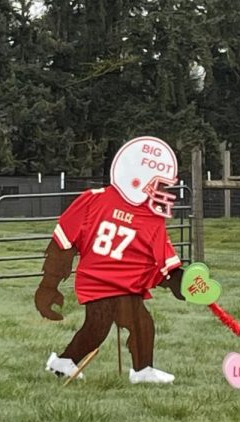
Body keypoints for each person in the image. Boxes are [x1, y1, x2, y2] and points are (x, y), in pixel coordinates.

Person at [35, 136, 186, 385]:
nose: (161, 191)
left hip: (127, 284)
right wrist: (49, 284)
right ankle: (64, 361)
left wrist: (183, 281)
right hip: (98, 281)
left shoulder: (151, 217)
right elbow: (63, 241)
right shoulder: (94, 200)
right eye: (156, 183)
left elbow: (162, 262)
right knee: (98, 326)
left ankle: (142, 369)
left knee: (142, 323)